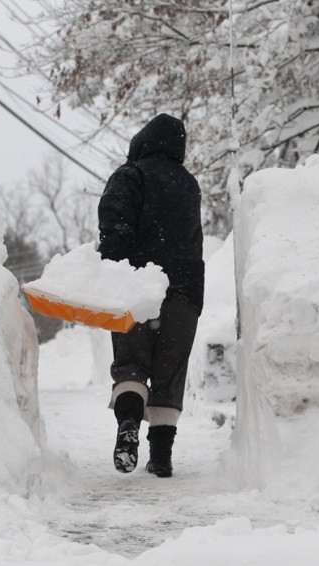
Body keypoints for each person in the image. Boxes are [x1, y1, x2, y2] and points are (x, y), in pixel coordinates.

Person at [97, 113, 204, 478]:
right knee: (169, 372)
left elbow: (114, 222)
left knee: (131, 362)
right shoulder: (190, 185)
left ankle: (128, 425)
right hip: (185, 292)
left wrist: (111, 269)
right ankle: (161, 456)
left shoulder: (131, 175)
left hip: (138, 285)